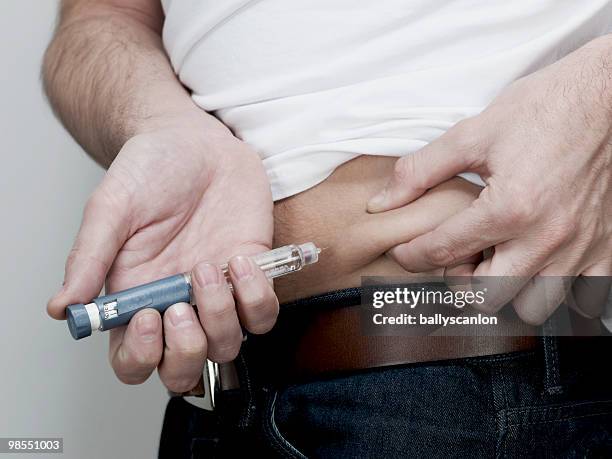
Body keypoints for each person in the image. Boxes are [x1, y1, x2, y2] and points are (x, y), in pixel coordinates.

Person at [44, 0, 612, 457]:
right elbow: (99, 17)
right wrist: (159, 122)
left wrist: (599, 90)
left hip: (461, 367)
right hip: (219, 398)